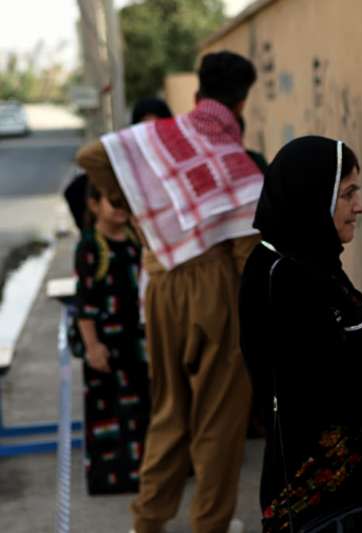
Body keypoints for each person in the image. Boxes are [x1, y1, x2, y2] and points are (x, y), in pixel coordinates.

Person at [77, 51, 262, 533]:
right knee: (219, 418)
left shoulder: (158, 138)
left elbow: (90, 157)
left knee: (168, 410)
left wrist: (135, 207)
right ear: (241, 101)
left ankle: (148, 522)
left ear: (199, 93)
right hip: (215, 286)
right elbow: (247, 252)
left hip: (159, 281)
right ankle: (209, 524)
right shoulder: (238, 163)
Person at [239, 136, 362, 533]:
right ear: (312, 196)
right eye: (348, 193)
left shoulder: (313, 264)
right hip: (329, 505)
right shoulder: (282, 277)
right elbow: (317, 384)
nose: (361, 206)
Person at [68, 182, 148, 495]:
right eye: (112, 201)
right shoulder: (90, 246)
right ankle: (110, 478)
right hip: (105, 343)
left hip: (135, 341)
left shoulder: (132, 239)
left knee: (140, 406)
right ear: (93, 205)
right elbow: (85, 304)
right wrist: (92, 346)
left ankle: (144, 474)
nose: (119, 208)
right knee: (107, 411)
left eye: (123, 202)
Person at [64, 98, 173, 232]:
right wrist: (120, 201)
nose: (149, 136)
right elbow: (84, 163)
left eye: (155, 128)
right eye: (143, 130)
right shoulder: (125, 164)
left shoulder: (174, 164)